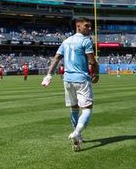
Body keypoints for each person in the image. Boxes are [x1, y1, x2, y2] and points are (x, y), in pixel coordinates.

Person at [41, 17, 99, 152]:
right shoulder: (86, 41)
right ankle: (77, 132)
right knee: (87, 109)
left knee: (74, 108)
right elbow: (92, 62)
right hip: (81, 79)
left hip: (67, 79)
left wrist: (49, 74)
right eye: (87, 26)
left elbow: (56, 58)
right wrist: (96, 75)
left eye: (90, 26)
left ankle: (77, 137)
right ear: (78, 26)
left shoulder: (66, 41)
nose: (90, 29)